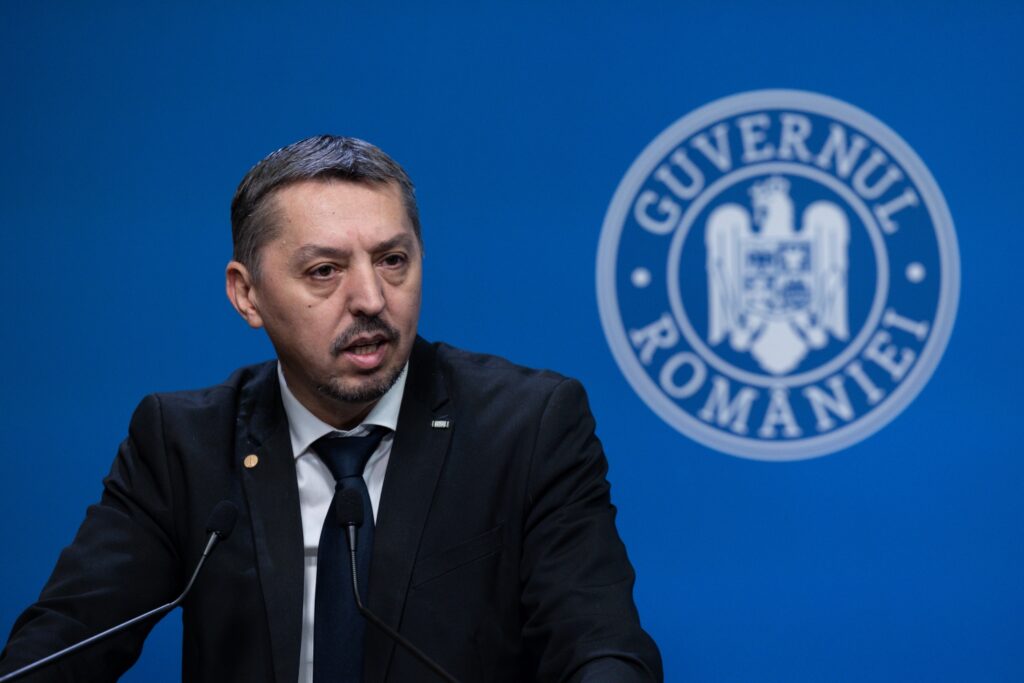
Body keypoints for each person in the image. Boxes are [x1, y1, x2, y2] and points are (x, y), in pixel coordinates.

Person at [0, 136, 662, 682]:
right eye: (325, 271)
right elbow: (64, 642)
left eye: (393, 260)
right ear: (247, 294)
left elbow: (601, 646)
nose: (371, 298)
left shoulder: (527, 426)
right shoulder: (182, 443)